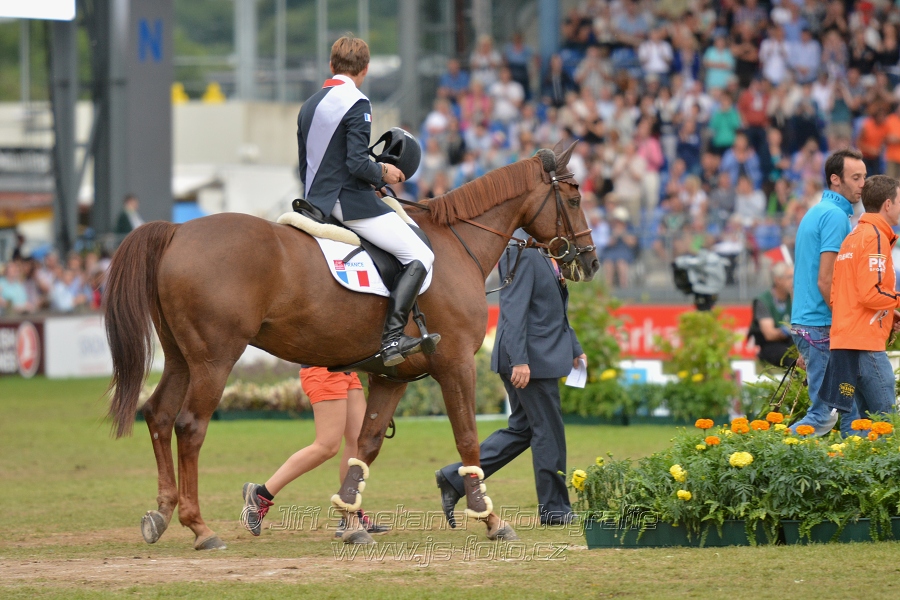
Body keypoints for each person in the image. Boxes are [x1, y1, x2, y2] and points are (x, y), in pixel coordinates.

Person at [296, 35, 438, 367]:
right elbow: (356, 164)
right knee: (420, 252)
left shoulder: (309, 104)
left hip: (314, 199)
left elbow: (312, 163)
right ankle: (391, 339)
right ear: (366, 69)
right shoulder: (357, 102)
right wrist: (383, 173)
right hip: (347, 202)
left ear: (331, 66)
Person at [435, 236, 585, 527]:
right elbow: (513, 310)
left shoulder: (543, 253)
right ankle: (555, 509)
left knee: (523, 430)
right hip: (529, 360)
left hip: (535, 357)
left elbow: (554, 312)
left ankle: (455, 478)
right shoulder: (523, 254)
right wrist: (520, 360)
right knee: (548, 432)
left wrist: (574, 348)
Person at [241, 367, 389, 539]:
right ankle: (260, 494)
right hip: (325, 370)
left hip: (347, 369)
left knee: (359, 443)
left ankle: (350, 514)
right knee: (326, 446)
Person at [790, 148, 866, 437]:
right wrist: (848, 319)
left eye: (864, 177)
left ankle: (853, 469)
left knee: (848, 411)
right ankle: (773, 451)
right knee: (824, 414)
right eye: (855, 177)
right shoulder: (834, 217)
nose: (862, 184)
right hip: (819, 324)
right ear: (836, 179)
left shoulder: (818, 212)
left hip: (810, 321)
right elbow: (826, 280)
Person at [821, 175, 900, 421]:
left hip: (846, 343)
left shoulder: (853, 237)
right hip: (865, 344)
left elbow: (839, 297)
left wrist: (888, 311)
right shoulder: (875, 236)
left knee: (864, 429)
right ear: (888, 204)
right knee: (888, 426)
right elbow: (871, 292)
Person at [748, 262, 795, 367]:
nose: (793, 281)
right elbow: (769, 335)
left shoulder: (794, 297)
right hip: (771, 346)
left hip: (791, 342)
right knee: (792, 358)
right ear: (778, 280)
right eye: (789, 277)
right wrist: (788, 330)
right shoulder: (764, 300)